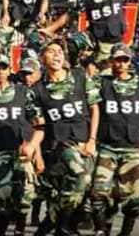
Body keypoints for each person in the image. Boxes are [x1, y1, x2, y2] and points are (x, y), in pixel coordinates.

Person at [29, 40, 99, 236]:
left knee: (80, 194)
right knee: (81, 177)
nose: (57, 55)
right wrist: (37, 154)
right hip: (59, 146)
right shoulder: (36, 91)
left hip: (85, 143)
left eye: (60, 51)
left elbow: (94, 109)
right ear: (43, 58)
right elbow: (39, 126)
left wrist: (92, 140)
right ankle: (64, 225)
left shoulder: (80, 77)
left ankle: (50, 227)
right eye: (51, 52)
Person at [89, 43, 139, 236]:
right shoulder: (102, 82)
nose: (121, 63)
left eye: (125, 60)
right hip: (107, 146)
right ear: (111, 61)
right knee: (98, 193)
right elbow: (92, 104)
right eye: (117, 59)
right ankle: (101, 230)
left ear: (130, 61)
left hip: (132, 147)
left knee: (136, 200)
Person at [0, 54, 40, 236]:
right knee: (0, 194)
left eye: (4, 68)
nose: (0, 72)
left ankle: (20, 228)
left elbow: (38, 122)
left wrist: (34, 147)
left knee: (25, 195)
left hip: (21, 148)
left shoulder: (22, 92)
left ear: (9, 70)